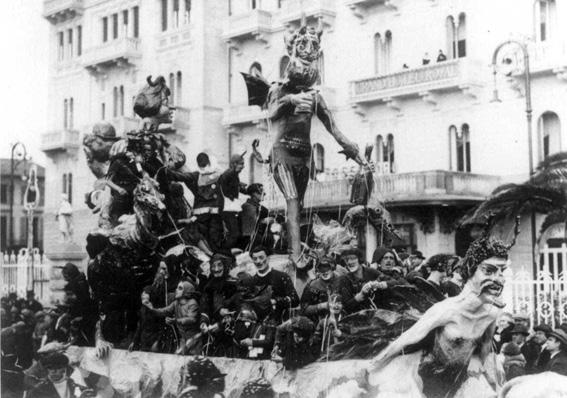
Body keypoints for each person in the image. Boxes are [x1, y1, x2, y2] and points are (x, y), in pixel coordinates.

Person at [166, 153, 224, 252]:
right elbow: (181, 177)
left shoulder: (205, 175)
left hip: (208, 216)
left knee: (211, 237)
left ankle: (214, 255)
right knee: (211, 237)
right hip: (207, 217)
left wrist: (167, 170)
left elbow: (181, 177)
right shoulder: (213, 175)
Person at [144, 280, 201, 355]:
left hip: (194, 340)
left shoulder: (192, 303)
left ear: (187, 291)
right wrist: (152, 309)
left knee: (194, 362)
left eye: (180, 288)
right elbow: (164, 311)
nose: (176, 290)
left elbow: (191, 319)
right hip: (183, 339)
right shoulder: (176, 303)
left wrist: (175, 321)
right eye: (177, 288)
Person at [250, 246, 299, 323]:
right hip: (255, 324)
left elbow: (295, 300)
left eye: (261, 257)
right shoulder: (252, 281)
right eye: (255, 259)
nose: (258, 261)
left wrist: (275, 301)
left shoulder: (281, 277)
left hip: (277, 324)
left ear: (268, 258)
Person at [27, 352, 94, 398]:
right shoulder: (39, 389)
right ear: (47, 370)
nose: (53, 371)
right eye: (50, 368)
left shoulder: (71, 383)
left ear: (64, 369)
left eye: (57, 368)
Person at [219, 153, 247, 249]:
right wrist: (231, 197)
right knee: (234, 234)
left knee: (236, 234)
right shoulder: (230, 173)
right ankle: (224, 253)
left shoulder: (233, 174)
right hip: (227, 209)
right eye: (241, 164)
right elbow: (222, 187)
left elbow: (235, 187)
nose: (243, 167)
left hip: (230, 208)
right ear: (234, 164)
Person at [300, 257, 341, 323]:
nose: (324, 272)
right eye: (321, 269)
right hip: (318, 321)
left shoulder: (341, 281)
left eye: (327, 268)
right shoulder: (312, 285)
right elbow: (304, 309)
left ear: (333, 268)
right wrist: (323, 306)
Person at [129, 287, 162, 352]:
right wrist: (134, 342)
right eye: (142, 293)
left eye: (146, 293)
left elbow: (162, 327)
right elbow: (140, 327)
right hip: (144, 342)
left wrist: (158, 342)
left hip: (154, 342)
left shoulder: (157, 309)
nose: (142, 294)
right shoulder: (142, 309)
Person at [313, 293, 346, 359]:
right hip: (326, 355)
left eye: (339, 303)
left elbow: (351, 339)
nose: (336, 305)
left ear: (342, 306)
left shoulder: (345, 321)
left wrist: (341, 335)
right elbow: (316, 341)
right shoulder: (323, 322)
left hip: (343, 355)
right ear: (329, 305)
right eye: (333, 303)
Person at [240, 184, 270, 250]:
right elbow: (249, 232)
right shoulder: (248, 207)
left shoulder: (260, 207)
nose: (264, 194)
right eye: (261, 191)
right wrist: (263, 221)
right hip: (252, 243)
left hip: (259, 239)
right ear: (254, 194)